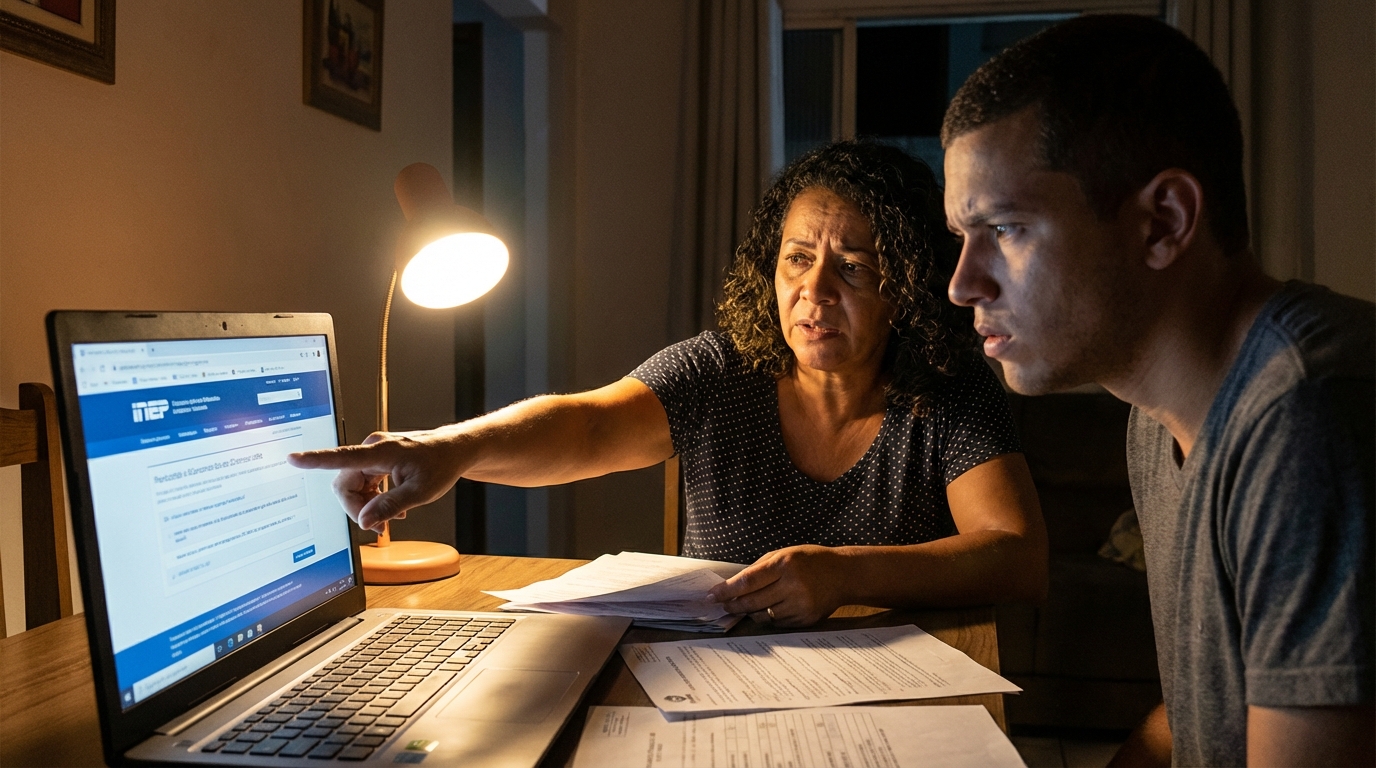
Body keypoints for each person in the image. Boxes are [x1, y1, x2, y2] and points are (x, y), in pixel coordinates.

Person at [290, 140, 1047, 627]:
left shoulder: (948, 393)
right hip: (711, 687)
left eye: (852, 267)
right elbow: (587, 426)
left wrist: (844, 573)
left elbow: (1015, 553)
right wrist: (449, 448)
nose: (814, 293)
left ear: (905, 287)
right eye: (796, 259)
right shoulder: (720, 370)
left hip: (894, 696)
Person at [940, 14, 1373, 767]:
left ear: (1163, 221)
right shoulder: (1155, 412)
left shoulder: (1307, 414)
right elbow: (1203, 712)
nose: (962, 284)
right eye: (961, 236)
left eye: (1005, 227)